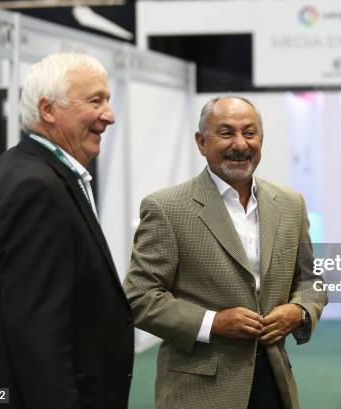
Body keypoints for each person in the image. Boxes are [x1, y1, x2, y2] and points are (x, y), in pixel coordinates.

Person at [0, 53, 134, 409]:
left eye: (109, 100)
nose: (110, 116)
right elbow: (38, 336)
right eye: (95, 100)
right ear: (47, 110)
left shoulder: (23, 166)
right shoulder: (37, 188)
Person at [123, 96, 327, 409]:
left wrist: (298, 312)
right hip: (199, 390)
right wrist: (212, 322)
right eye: (226, 133)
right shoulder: (166, 208)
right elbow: (140, 297)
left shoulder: (290, 204)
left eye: (250, 133)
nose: (240, 145)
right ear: (201, 142)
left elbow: (311, 282)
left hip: (274, 383)